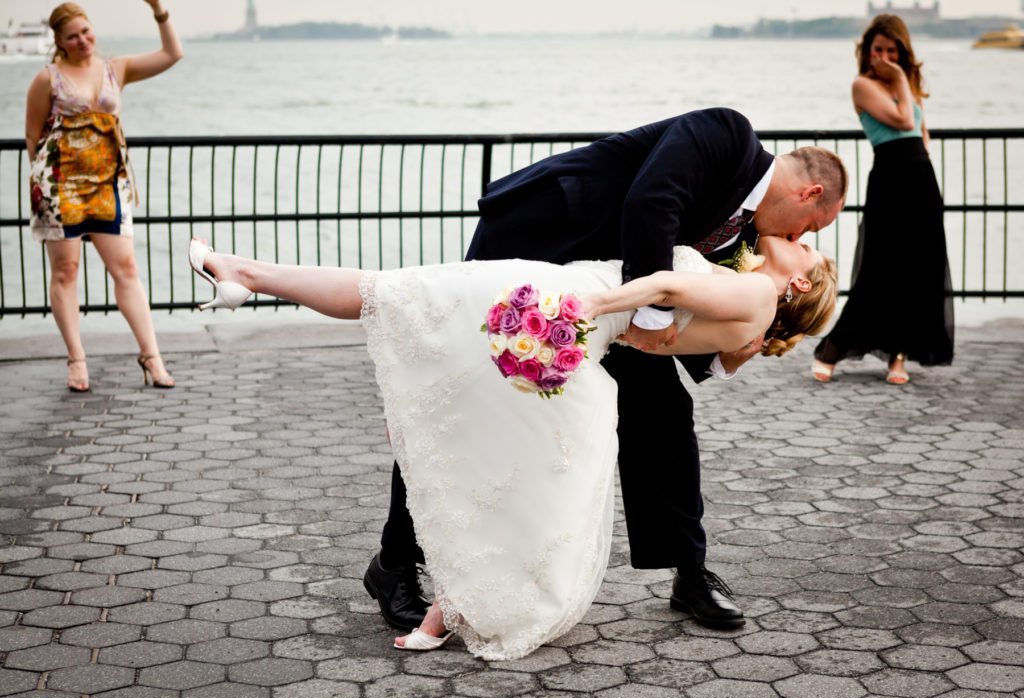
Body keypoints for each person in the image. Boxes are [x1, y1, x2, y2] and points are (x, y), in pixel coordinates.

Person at [188, 234, 838, 658]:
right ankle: (446, 604)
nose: (802, 243)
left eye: (810, 253)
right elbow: (663, 341)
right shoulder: (750, 326)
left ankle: (243, 272)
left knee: (392, 294)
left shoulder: (755, 289)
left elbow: (664, 291)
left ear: (800, 285)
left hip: (564, 299)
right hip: (579, 326)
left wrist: (589, 306)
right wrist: (604, 320)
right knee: (508, 453)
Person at [362, 108, 848, 634]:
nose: (801, 237)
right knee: (461, 399)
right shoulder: (726, 134)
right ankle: (394, 564)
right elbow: (652, 200)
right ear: (810, 194)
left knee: (664, 414)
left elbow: (691, 301)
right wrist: (653, 312)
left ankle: (690, 574)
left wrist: (726, 351)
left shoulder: (745, 240)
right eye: (812, 229)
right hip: (538, 241)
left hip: (609, 305)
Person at [25, 2, 183, 391]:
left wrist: (158, 10)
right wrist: (47, 184)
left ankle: (152, 356)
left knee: (126, 268)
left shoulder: (117, 69)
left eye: (86, 31)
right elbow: (32, 137)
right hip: (61, 186)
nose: (82, 40)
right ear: (59, 42)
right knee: (66, 271)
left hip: (107, 185)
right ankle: (77, 360)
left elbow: (171, 54)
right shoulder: (47, 79)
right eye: (72, 36)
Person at [812, 15, 953, 385]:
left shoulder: (909, 86)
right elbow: (905, 120)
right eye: (879, 49)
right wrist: (902, 80)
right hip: (890, 180)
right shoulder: (863, 85)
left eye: (893, 50)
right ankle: (833, 347)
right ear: (868, 51)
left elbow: (922, 134)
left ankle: (899, 357)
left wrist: (906, 85)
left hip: (921, 179)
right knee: (881, 264)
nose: (885, 57)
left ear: (902, 51)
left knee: (918, 267)